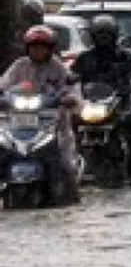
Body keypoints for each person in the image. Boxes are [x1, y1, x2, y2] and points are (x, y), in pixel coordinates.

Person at [0, 26, 81, 205]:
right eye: (34, 47)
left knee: (64, 162)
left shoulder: (58, 67)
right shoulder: (19, 66)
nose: (38, 50)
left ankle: (68, 197)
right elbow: (3, 84)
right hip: (18, 122)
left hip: (52, 123)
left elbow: (72, 89)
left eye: (42, 47)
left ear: (50, 49)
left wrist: (69, 99)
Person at [72, 15, 131, 183]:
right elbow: (72, 75)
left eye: (107, 35)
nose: (103, 39)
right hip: (90, 104)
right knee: (68, 125)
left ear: (115, 35)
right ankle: (69, 166)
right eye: (99, 34)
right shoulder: (85, 58)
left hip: (118, 103)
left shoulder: (125, 55)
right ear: (92, 36)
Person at [8, 0, 46, 67]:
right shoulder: (16, 37)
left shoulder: (46, 38)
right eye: (23, 17)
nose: (22, 22)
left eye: (26, 17)